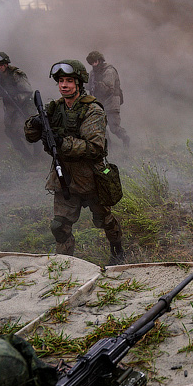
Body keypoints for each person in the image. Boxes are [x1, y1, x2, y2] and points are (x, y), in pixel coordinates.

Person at [24, 59, 125, 264]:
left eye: (69, 81)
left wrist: (63, 142)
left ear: (78, 83)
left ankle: (117, 250)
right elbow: (30, 136)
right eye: (61, 81)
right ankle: (65, 265)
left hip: (92, 177)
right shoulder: (54, 109)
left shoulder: (92, 110)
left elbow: (95, 147)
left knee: (104, 220)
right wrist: (34, 123)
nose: (64, 85)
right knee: (59, 226)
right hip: (65, 177)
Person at [0, 51, 37, 157]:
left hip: (24, 105)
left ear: (6, 64)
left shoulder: (16, 74)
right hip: (10, 106)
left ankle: (38, 154)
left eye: (1, 65)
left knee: (31, 129)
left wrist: (16, 97)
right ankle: (26, 155)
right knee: (10, 131)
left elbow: (27, 91)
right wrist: (1, 92)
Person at [86, 50, 130, 147]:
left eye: (95, 61)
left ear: (100, 60)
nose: (93, 64)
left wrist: (96, 84)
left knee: (114, 127)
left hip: (111, 101)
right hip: (99, 101)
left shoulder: (109, 71)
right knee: (100, 125)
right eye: (91, 62)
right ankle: (108, 146)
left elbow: (109, 89)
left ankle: (125, 138)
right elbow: (89, 86)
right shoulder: (92, 73)